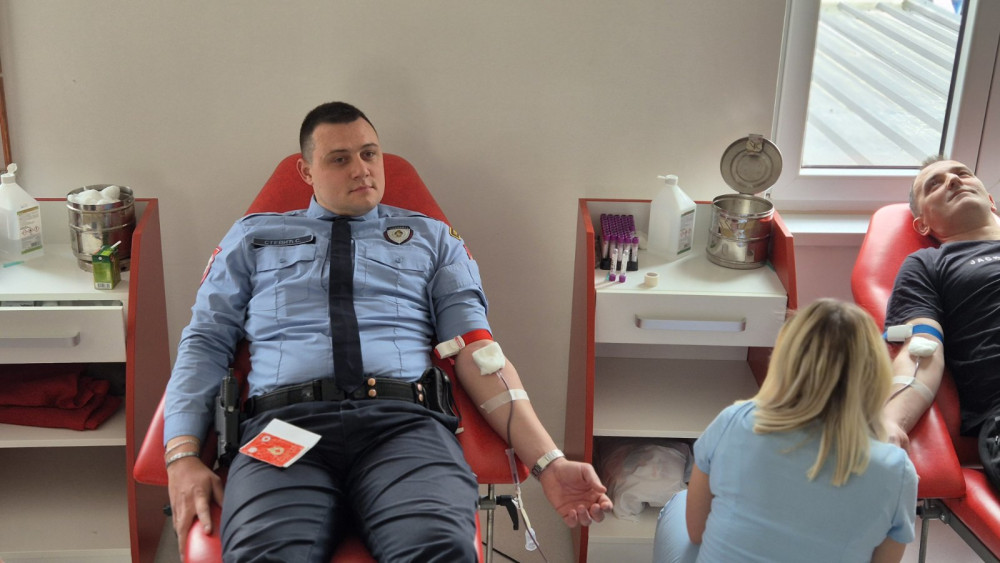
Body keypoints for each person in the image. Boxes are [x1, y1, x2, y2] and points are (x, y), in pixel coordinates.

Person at [162, 101, 613, 561]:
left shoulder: (434, 239)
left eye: (369, 154)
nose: (361, 169)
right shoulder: (253, 238)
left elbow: (478, 353)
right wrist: (182, 457)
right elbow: (205, 343)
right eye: (340, 158)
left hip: (403, 429)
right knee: (264, 554)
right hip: (283, 427)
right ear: (306, 171)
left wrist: (549, 463)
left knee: (440, 551)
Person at [652, 299, 917, 563]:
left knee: (681, 501)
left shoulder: (735, 421)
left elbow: (696, 531)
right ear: (876, 373)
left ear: (785, 358)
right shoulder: (897, 471)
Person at [883, 157, 1000, 450]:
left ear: (990, 201)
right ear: (922, 224)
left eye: (963, 173)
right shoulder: (927, 265)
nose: (954, 180)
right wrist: (891, 421)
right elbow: (922, 347)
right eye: (934, 184)